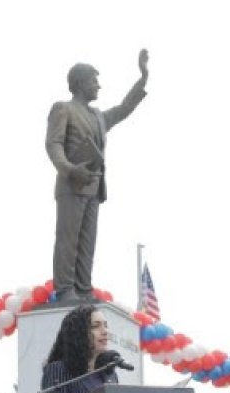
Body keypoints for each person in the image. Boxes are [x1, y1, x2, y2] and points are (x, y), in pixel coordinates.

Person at [45, 50, 149, 303]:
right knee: (68, 241)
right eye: (94, 81)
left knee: (87, 243)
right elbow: (53, 144)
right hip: (72, 184)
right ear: (80, 83)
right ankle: (65, 289)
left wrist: (142, 78)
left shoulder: (98, 117)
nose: (99, 86)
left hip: (94, 187)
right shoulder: (63, 109)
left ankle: (83, 288)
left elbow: (124, 109)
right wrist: (69, 168)